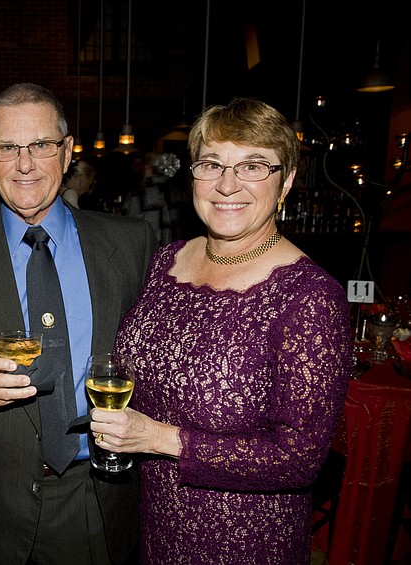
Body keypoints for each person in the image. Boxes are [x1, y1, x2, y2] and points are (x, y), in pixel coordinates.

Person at [0, 83, 157, 564]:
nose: (24, 163)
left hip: (102, 496)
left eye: (41, 145)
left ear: (66, 153)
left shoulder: (130, 244)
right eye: (6, 148)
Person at [95, 97, 353, 564]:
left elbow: (298, 458)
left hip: (244, 538)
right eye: (211, 164)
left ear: (287, 180)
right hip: (154, 522)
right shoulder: (165, 261)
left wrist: (160, 439)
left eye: (253, 166)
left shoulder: (310, 297)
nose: (227, 184)